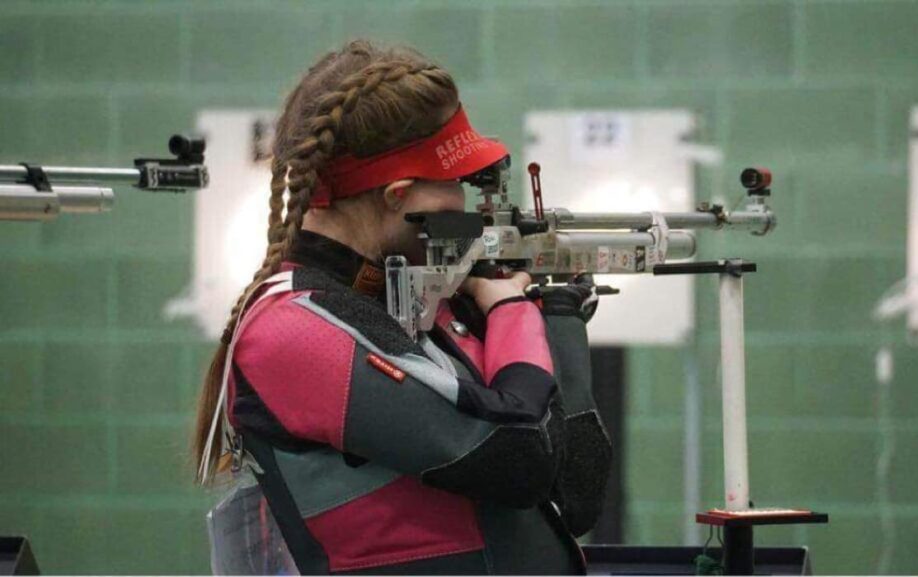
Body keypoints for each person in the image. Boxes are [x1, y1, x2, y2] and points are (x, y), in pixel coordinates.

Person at [191, 39, 612, 575]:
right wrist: (513, 312)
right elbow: (517, 457)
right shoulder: (290, 329)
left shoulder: (424, 303)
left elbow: (576, 495)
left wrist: (556, 313)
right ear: (398, 196)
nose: (467, 210)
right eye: (457, 187)